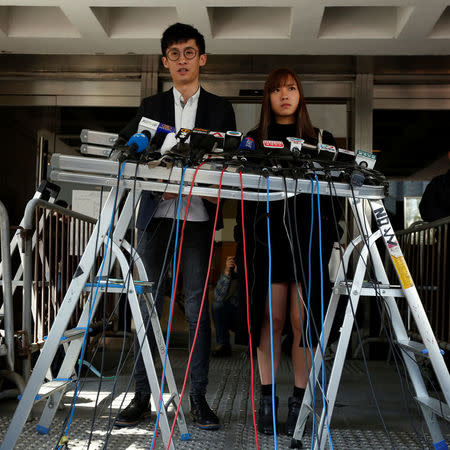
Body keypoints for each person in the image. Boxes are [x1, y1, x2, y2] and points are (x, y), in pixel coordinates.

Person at [116, 23, 236, 429]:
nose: (182, 60)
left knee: (199, 309)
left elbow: (227, 163)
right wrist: (158, 180)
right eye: (174, 54)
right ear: (164, 61)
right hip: (154, 220)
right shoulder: (150, 105)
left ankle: (197, 397)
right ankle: (141, 395)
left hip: (199, 219)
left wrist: (195, 183)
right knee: (148, 305)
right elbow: (128, 150)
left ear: (202, 58)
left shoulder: (221, 109)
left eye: (189, 52)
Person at [239, 68, 339, 436]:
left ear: (301, 95)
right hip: (266, 239)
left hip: (309, 239)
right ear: (267, 97)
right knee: (272, 320)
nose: (284, 95)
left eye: (291, 88)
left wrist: (330, 239)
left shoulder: (319, 139)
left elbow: (333, 199)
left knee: (302, 323)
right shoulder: (253, 139)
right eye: (277, 89)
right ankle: (266, 398)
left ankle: (300, 399)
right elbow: (243, 199)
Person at [211, 256, 241, 357]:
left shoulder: (252, 275)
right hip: (233, 313)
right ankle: (223, 344)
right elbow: (218, 297)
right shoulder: (230, 275)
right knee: (217, 306)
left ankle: (254, 346)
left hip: (246, 312)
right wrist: (227, 272)